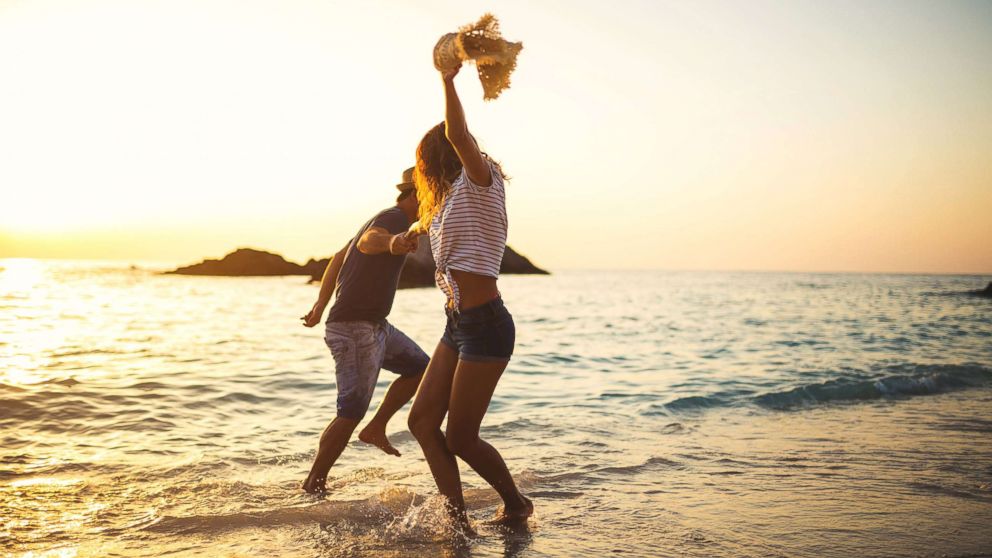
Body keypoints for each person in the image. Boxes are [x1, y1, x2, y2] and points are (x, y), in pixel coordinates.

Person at [405, 62, 533, 527]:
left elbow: (459, 135)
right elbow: (432, 225)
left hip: (486, 325)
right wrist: (408, 235)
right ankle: (455, 519)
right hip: (457, 324)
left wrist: (447, 80)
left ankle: (517, 504)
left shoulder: (482, 180)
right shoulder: (449, 199)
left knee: (460, 437)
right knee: (421, 422)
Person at [299, 169, 428, 494]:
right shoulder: (394, 217)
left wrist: (319, 305)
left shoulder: (381, 218)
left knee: (420, 368)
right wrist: (394, 241)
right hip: (355, 328)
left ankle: (377, 427)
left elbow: (338, 259)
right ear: (416, 194)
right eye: (433, 194)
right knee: (350, 409)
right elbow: (371, 243)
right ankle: (314, 484)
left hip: (375, 325)